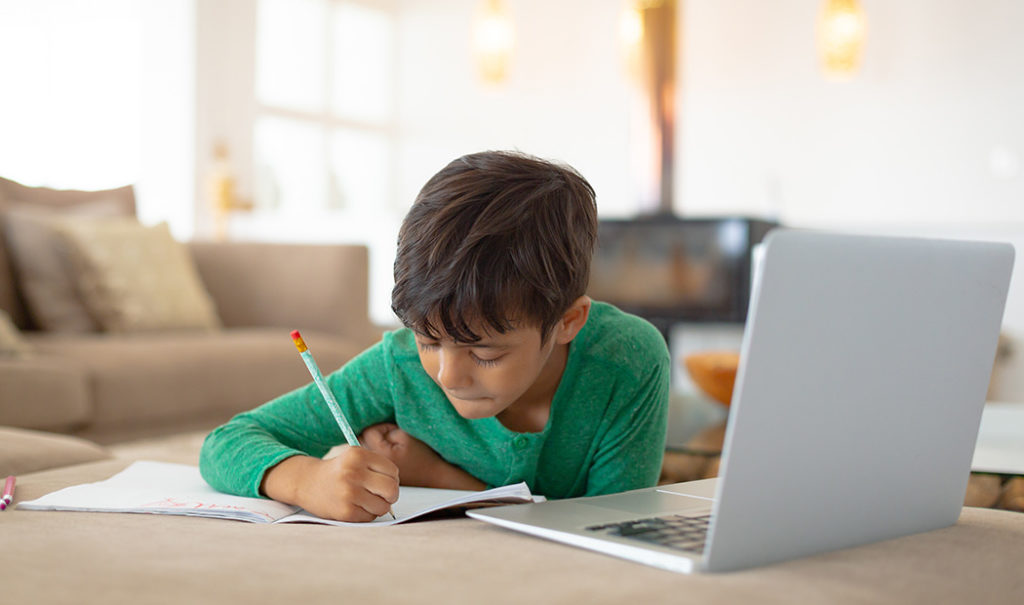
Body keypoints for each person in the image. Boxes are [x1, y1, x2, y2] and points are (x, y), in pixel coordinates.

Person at [199, 150, 670, 522]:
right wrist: (307, 480)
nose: (448, 374)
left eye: (484, 353)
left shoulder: (627, 359)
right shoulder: (398, 367)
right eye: (428, 341)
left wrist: (438, 478)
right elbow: (227, 442)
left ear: (568, 321)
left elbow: (613, 527)